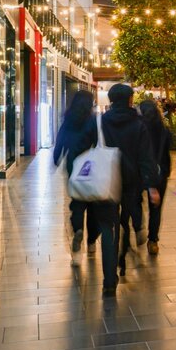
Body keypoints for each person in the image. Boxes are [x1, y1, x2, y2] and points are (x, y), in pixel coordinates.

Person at [102, 83, 161, 288]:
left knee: (110, 225)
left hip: (106, 179)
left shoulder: (101, 122)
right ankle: (123, 255)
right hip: (131, 181)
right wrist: (152, 186)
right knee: (125, 219)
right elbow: (146, 157)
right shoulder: (139, 124)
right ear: (129, 100)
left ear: (110, 100)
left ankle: (109, 277)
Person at [53, 90, 99, 261]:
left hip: (73, 167)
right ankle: (92, 241)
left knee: (77, 203)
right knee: (93, 205)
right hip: (91, 167)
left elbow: (60, 142)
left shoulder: (68, 120)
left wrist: (56, 158)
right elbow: (99, 143)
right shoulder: (93, 120)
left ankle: (78, 229)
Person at [138, 99, 172, 256]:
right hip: (160, 173)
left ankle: (139, 228)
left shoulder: (138, 127)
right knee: (156, 209)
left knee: (136, 203)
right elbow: (167, 150)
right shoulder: (164, 129)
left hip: (140, 172)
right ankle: (153, 241)